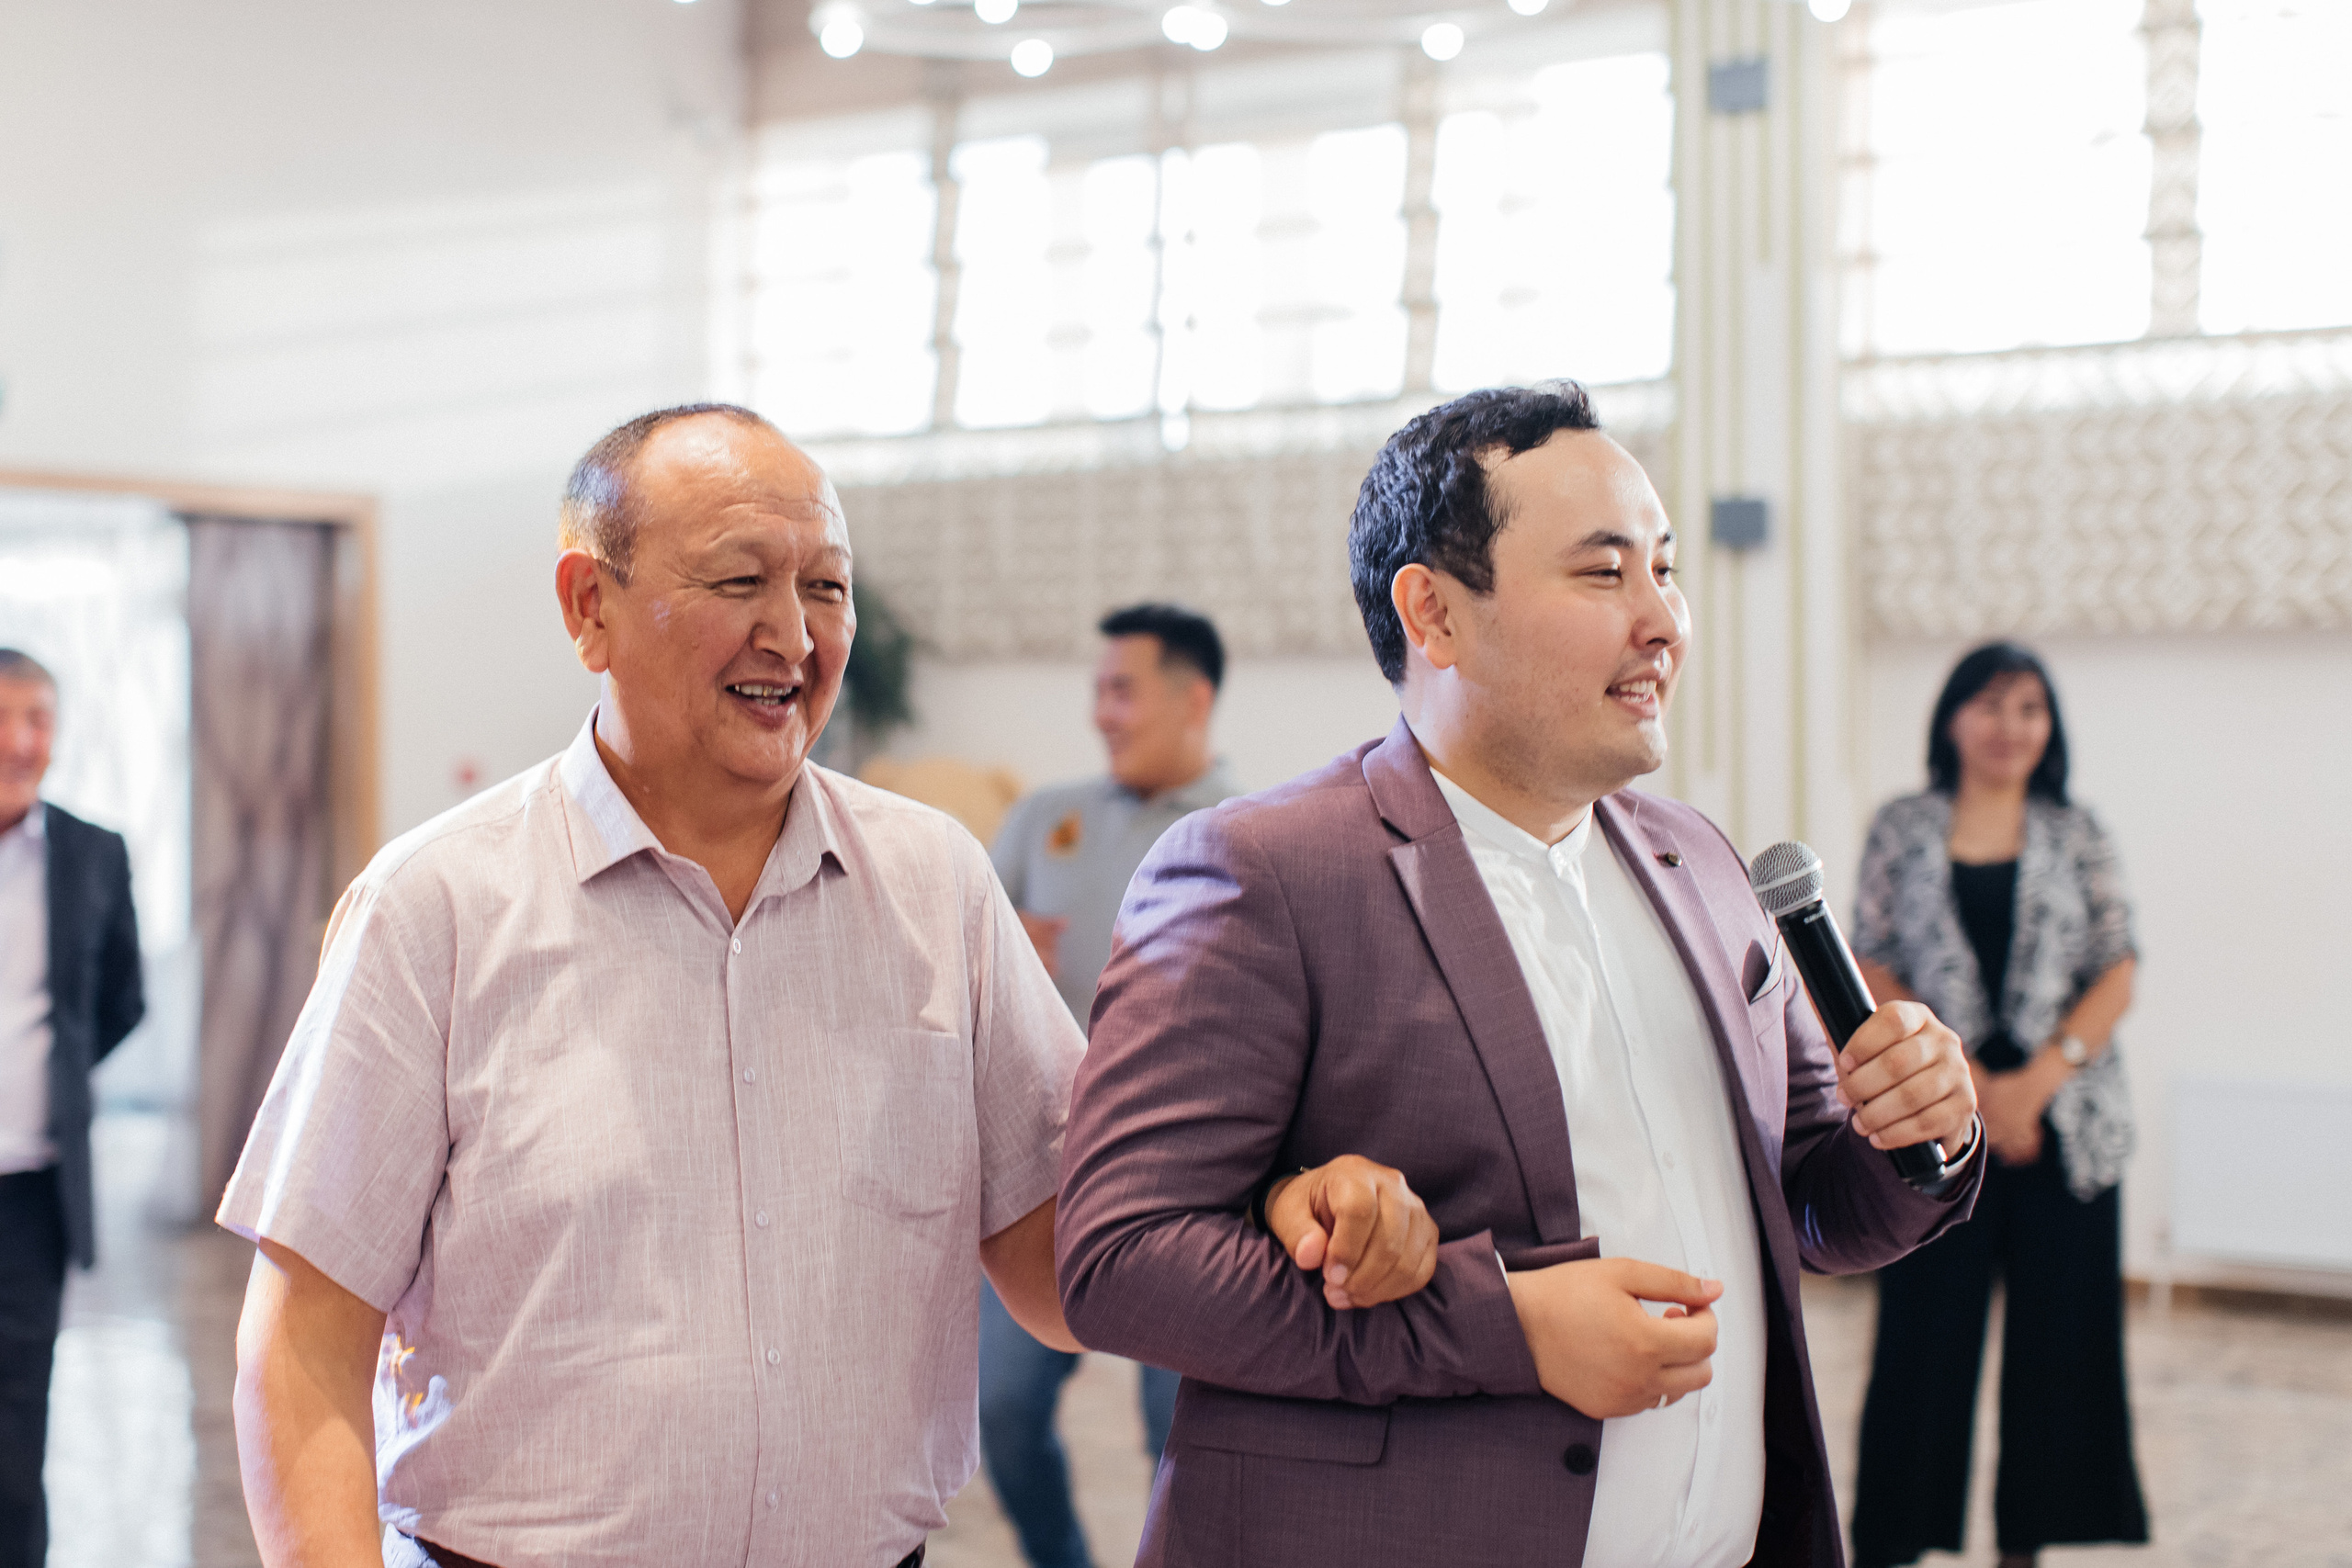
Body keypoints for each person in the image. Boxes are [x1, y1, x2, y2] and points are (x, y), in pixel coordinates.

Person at [218, 403, 1390, 1568]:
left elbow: (1062, 1262)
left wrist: (1281, 1205)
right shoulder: (437, 906)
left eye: (826, 588)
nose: (794, 633)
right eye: (739, 581)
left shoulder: (934, 885)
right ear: (590, 608)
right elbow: (306, 1342)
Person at [1056, 383, 1987, 1567]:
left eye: (1666, 569)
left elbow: (1805, 1196)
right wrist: (1504, 1326)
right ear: (1435, 615)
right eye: (1604, 575)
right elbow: (1120, 1262)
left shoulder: (1693, 858)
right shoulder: (1266, 874)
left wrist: (1919, 1136)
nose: (1662, 622)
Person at [1847, 642, 2147, 1568]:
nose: (2008, 726)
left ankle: (2029, 1542)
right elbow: (1871, 958)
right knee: (1921, 1344)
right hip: (1935, 1125)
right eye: (1988, 704)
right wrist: (1974, 1088)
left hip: (2066, 1126)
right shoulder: (1901, 825)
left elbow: (2117, 967)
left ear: (2047, 727)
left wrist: (2031, 1088)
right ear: (1950, 719)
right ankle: (1895, 1539)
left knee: (2061, 1354)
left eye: (2028, 707)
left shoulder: (2076, 830)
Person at [982, 604, 1238, 1568]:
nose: (1104, 713)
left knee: (1183, 1432)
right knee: (1001, 1409)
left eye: (1122, 689)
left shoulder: (1248, 830)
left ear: (1193, 698)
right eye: (1097, 691)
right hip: (1041, 1169)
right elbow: (956, 944)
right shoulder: (1047, 818)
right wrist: (1004, 929)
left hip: (1192, 1182)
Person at [0, 649, 145, 1568]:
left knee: (16, 1439)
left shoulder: (94, 852)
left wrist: (60, 1076)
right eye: (5, 717)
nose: (22, 741)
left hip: (32, 1197)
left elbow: (122, 998)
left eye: (40, 718)